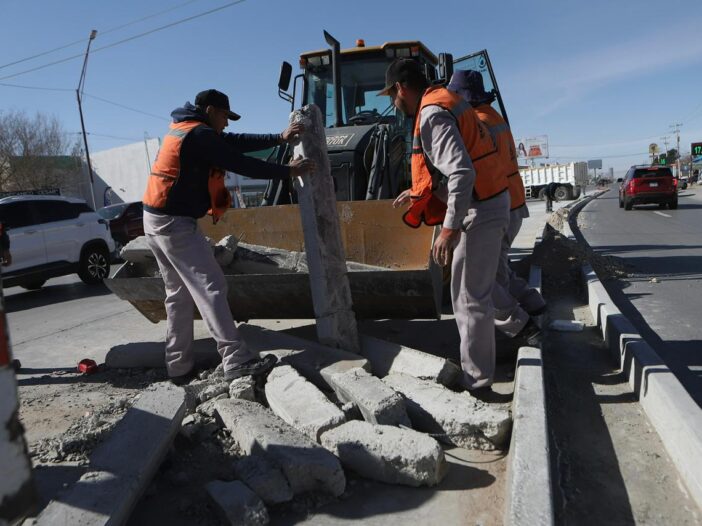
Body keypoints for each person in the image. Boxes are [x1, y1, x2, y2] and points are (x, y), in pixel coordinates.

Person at [142, 89, 315, 385]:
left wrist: (278, 138)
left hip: (154, 219)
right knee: (211, 286)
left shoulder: (188, 128)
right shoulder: (199, 134)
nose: (226, 123)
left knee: (179, 295)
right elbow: (239, 162)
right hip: (174, 224)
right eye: (225, 116)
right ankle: (236, 359)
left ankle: (179, 367)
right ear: (210, 110)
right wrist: (287, 171)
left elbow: (233, 142)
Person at [381, 59, 510, 392]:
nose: (393, 103)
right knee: (471, 296)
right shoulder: (445, 100)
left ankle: (478, 384)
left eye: (391, 95)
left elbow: (462, 172)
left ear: (400, 88)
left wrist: (450, 229)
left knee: (469, 300)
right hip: (488, 202)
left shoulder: (431, 114)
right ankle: (482, 372)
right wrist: (418, 191)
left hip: (479, 210)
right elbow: (454, 168)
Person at [448, 71, 545, 342]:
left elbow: (470, 169)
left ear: (464, 97)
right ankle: (533, 304)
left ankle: (522, 325)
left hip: (496, 205)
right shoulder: (493, 117)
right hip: (512, 202)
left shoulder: (477, 123)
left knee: (482, 278)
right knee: (497, 271)